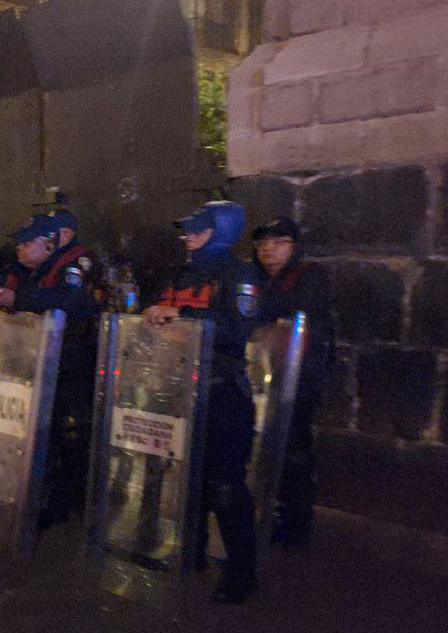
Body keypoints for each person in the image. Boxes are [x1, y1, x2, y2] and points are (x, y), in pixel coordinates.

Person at [143, 201, 262, 604]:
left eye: (198, 230)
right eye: (187, 231)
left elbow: (238, 327)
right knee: (184, 477)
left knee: (225, 485)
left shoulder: (239, 274)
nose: (188, 237)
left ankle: (242, 572)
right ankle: (187, 555)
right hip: (179, 388)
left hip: (222, 392)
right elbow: (163, 311)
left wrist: (181, 317)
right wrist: (153, 315)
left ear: (222, 231)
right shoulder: (180, 273)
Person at [0, 213, 96, 526]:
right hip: (26, 362)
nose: (20, 247)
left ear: (49, 243)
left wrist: (19, 298)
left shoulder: (73, 264)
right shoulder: (21, 268)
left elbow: (73, 299)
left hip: (68, 363)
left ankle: (65, 503)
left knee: (66, 432)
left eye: (27, 242)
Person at [251, 216, 334, 548]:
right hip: (268, 373)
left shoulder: (309, 276)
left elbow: (294, 311)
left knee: (294, 447)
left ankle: (296, 522)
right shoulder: (262, 279)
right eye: (262, 243)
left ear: (293, 247)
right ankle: (272, 511)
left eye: (278, 242)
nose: (268, 249)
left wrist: (260, 309)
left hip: (300, 375)